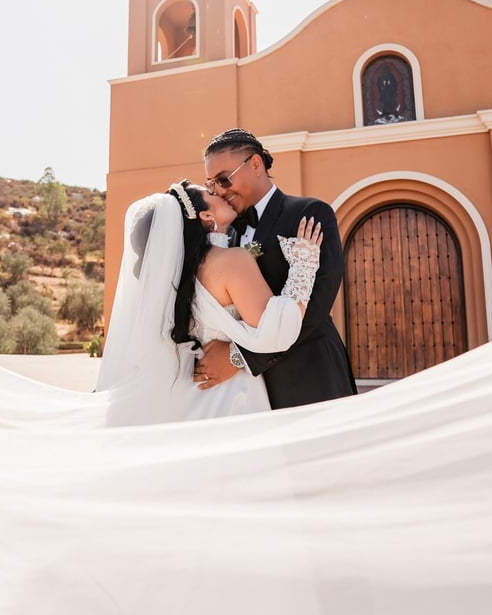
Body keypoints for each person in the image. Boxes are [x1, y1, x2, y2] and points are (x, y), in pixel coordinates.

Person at [95, 179, 324, 423]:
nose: (220, 193)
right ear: (205, 215)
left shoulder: (175, 277)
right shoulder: (232, 261)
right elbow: (275, 330)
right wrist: (304, 264)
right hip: (231, 397)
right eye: (211, 193)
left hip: (186, 395)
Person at [196, 127, 358, 409]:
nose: (219, 190)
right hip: (250, 393)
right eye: (211, 185)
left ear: (255, 164)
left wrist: (240, 356)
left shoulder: (309, 213)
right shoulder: (228, 234)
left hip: (309, 377)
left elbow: (319, 300)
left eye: (223, 179)